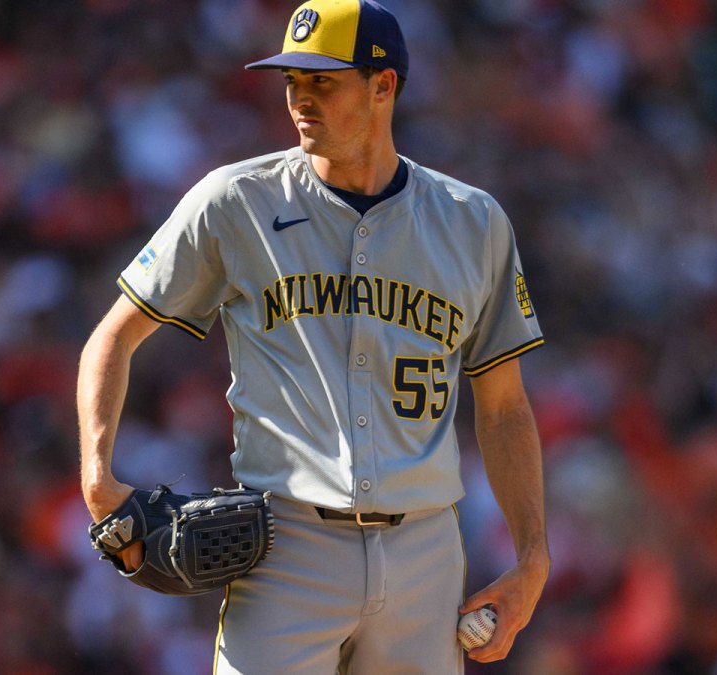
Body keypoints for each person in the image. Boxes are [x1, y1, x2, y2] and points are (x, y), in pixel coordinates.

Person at [76, 1, 549, 672]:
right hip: (286, 545)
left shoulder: (474, 223)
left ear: (383, 86)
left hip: (426, 553)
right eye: (292, 81)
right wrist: (98, 477)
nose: (300, 97)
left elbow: (503, 407)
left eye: (323, 80)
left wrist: (533, 556)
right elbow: (113, 337)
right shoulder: (236, 200)